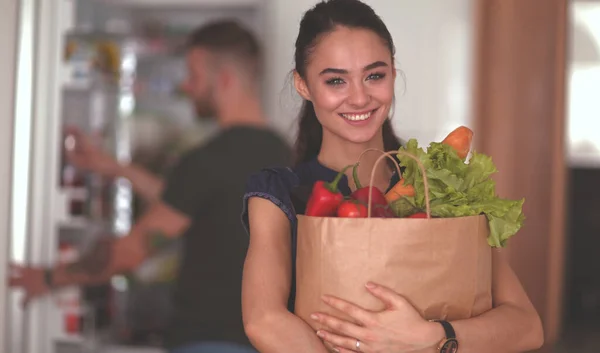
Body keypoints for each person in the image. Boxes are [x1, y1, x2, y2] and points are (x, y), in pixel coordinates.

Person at [240, 0, 544, 352]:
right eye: (336, 80)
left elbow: (526, 325)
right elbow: (264, 320)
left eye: (374, 75)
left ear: (393, 74)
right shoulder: (278, 193)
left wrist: (433, 337)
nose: (359, 97)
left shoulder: (438, 186)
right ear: (304, 85)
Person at [10, 20, 291, 353]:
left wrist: (46, 278)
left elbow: (129, 254)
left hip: (208, 341)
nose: (187, 87)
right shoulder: (283, 154)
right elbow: (197, 203)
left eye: (194, 75)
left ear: (225, 80)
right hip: (267, 343)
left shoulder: (208, 159)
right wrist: (114, 168)